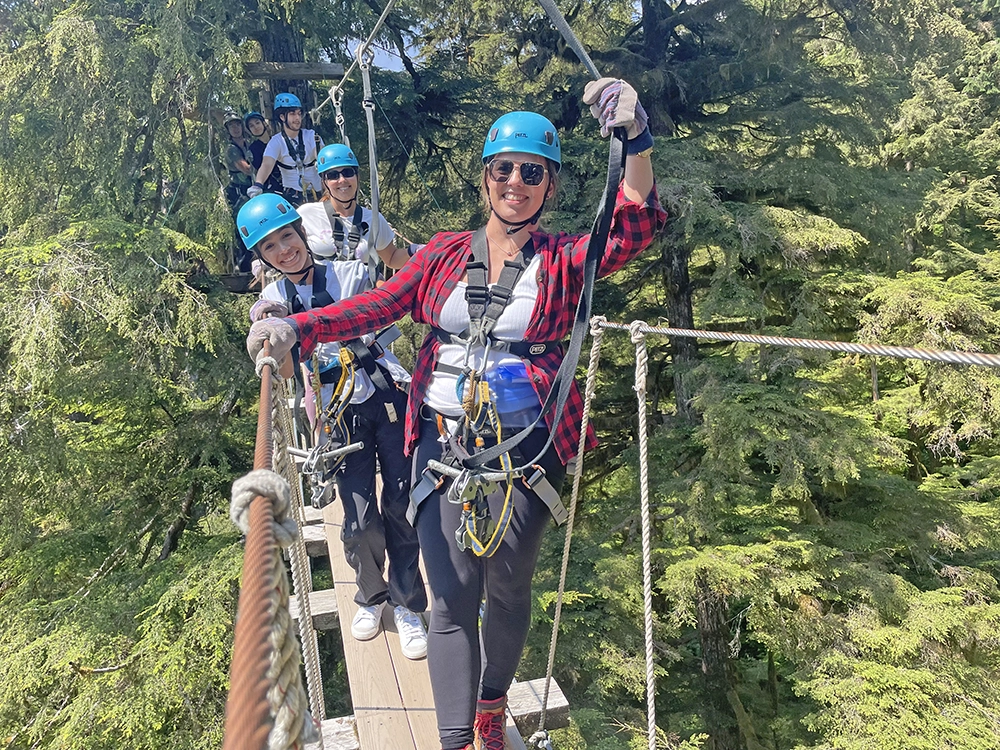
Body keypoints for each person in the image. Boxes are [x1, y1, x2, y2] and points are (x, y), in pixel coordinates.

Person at [246, 79, 666, 750]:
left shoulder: (565, 260)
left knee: (507, 586)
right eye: (504, 169)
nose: (516, 182)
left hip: (526, 450)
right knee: (450, 600)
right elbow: (379, 306)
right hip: (441, 444)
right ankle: (457, 741)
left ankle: (491, 706)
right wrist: (300, 327)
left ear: (549, 186)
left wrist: (635, 138)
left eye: (533, 172)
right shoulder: (442, 252)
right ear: (485, 178)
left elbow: (636, 221)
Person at [236, 192, 429, 660]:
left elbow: (374, 320)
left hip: (383, 395)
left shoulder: (349, 273)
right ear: (262, 257)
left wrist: (301, 323)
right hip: (333, 410)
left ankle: (408, 604)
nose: (285, 250)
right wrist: (268, 341)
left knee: (402, 503)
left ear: (302, 233)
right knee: (359, 518)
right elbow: (284, 373)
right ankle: (371, 595)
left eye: (288, 236)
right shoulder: (270, 301)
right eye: (271, 247)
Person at [298, 143, 411, 270]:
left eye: (348, 172)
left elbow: (392, 258)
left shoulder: (374, 219)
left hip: (363, 289)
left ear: (357, 176)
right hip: (320, 289)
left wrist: (416, 251)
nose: (342, 180)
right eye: (333, 175)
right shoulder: (306, 215)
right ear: (324, 182)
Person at [248, 93, 324, 207]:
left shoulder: (312, 136)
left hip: (319, 195)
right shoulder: (276, 142)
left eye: (299, 113)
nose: (297, 118)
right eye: (292, 114)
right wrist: (258, 185)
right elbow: (266, 165)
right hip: (293, 198)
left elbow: (322, 156)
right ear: (282, 117)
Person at [222, 110, 256, 271]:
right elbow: (246, 169)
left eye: (237, 124)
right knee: (243, 230)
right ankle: (244, 268)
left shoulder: (249, 143)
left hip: (252, 190)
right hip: (239, 193)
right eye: (231, 126)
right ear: (227, 130)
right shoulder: (231, 150)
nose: (235, 128)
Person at [244, 111, 282, 195]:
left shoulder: (278, 141)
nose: (256, 127)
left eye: (257, 123)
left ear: (264, 123)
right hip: (270, 189)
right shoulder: (252, 150)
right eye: (251, 126)